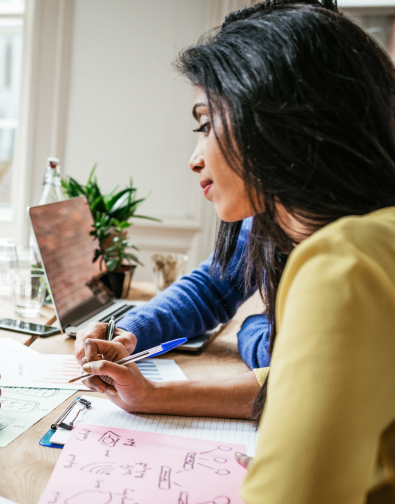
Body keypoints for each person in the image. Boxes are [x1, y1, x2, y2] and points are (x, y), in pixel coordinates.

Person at [76, 1, 395, 502]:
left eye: (206, 124)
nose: (194, 157)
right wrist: (156, 390)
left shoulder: (344, 263)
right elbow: (279, 369)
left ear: (273, 119)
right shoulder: (369, 234)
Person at [77, 218, 271, 369]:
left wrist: (252, 325)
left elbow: (275, 354)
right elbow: (210, 290)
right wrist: (127, 331)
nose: (194, 164)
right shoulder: (261, 218)